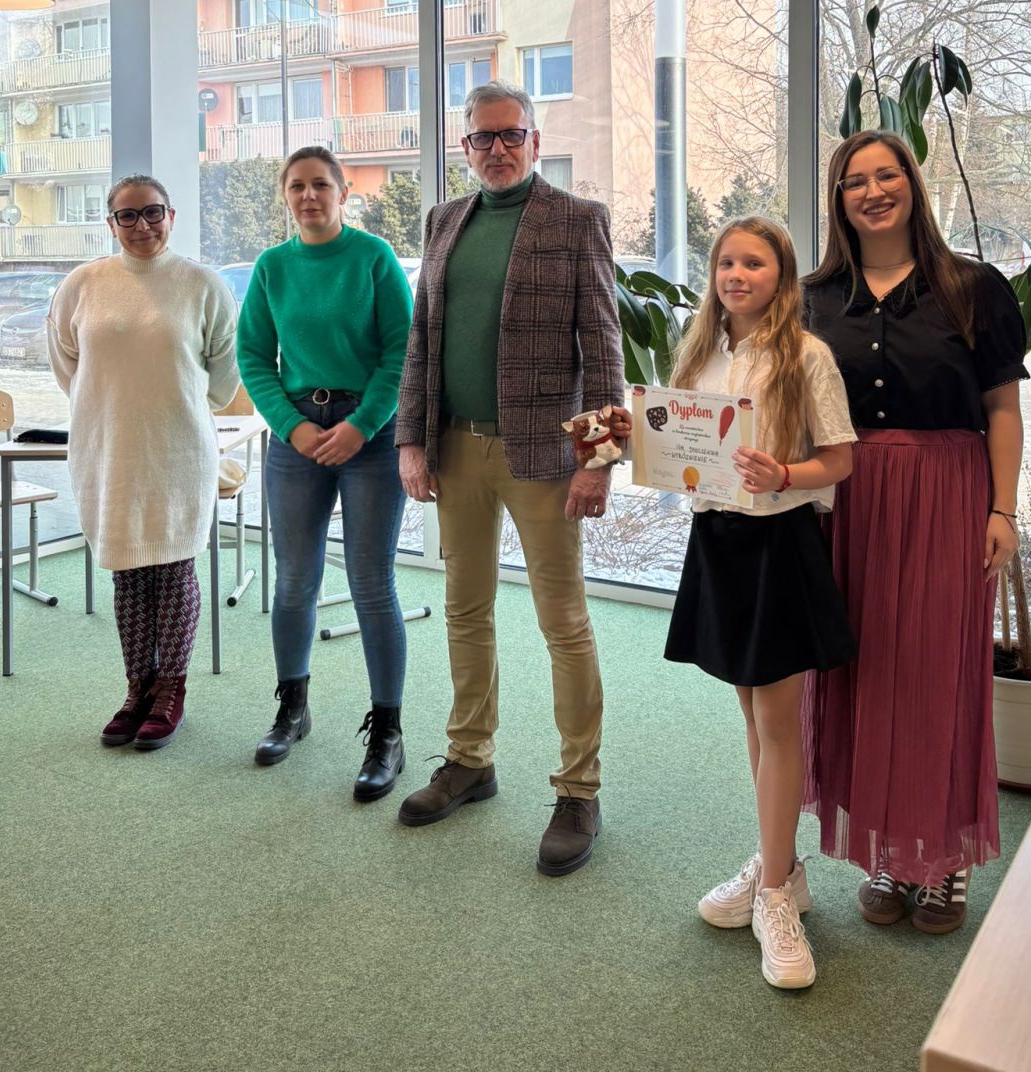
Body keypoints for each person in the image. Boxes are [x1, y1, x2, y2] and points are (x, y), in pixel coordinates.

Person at [395, 80, 624, 876]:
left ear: (534, 140)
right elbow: (421, 341)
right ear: (464, 146)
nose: (496, 149)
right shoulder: (443, 220)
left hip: (546, 457)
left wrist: (599, 459)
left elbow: (604, 347)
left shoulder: (577, 220)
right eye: (482, 138)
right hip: (456, 448)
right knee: (465, 610)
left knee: (564, 623)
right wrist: (411, 442)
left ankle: (579, 789)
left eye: (510, 135)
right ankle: (470, 760)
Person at [801, 132, 1027, 935]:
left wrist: (1003, 510)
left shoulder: (973, 287)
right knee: (863, 671)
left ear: (912, 184)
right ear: (838, 200)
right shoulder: (813, 297)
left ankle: (947, 856)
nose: (873, 191)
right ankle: (890, 852)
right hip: (845, 500)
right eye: (854, 181)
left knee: (938, 673)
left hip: (946, 496)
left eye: (887, 174)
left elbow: (1003, 409)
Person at [653, 216, 857, 990]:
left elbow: (839, 461)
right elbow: (678, 447)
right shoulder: (698, 350)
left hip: (779, 546)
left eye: (755, 264)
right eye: (727, 263)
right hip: (717, 542)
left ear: (783, 277)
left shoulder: (806, 355)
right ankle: (783, 868)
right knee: (750, 713)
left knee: (776, 722)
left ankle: (775, 893)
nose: (737, 275)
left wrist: (785, 475)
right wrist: (633, 440)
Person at [238, 146, 414, 800]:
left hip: (369, 433)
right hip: (298, 436)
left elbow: (402, 350)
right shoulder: (272, 267)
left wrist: (362, 424)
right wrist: (294, 427)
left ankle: (387, 733)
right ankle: (292, 709)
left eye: (320, 185)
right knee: (293, 582)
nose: (308, 196)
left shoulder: (373, 257)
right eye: (296, 186)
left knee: (371, 584)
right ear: (285, 196)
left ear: (343, 192)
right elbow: (253, 357)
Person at [47, 174, 240, 751]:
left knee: (174, 568)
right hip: (107, 448)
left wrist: (173, 400)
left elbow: (223, 378)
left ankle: (170, 690)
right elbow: (67, 366)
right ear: (110, 224)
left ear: (171, 216)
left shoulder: (202, 284)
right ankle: (138, 687)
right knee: (128, 571)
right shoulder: (82, 284)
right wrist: (110, 404)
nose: (141, 225)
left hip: (178, 448)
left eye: (152, 212)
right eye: (127, 216)